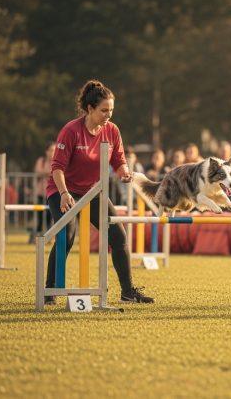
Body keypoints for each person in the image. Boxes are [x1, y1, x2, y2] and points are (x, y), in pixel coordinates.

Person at [44, 79, 153, 305]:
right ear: (90, 108)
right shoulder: (71, 131)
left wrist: (124, 172)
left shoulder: (112, 131)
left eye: (111, 110)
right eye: (104, 110)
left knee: (119, 237)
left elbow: (119, 161)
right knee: (68, 235)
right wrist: (64, 194)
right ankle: (50, 291)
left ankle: (128, 292)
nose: (108, 115)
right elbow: (57, 168)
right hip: (62, 189)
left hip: (93, 191)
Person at [31, 142, 55, 242]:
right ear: (46, 151)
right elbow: (38, 172)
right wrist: (50, 173)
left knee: (51, 217)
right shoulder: (41, 161)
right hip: (41, 192)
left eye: (54, 150)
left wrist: (47, 173)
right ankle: (38, 237)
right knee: (40, 217)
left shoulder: (57, 160)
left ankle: (50, 238)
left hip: (52, 193)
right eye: (51, 150)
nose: (53, 153)